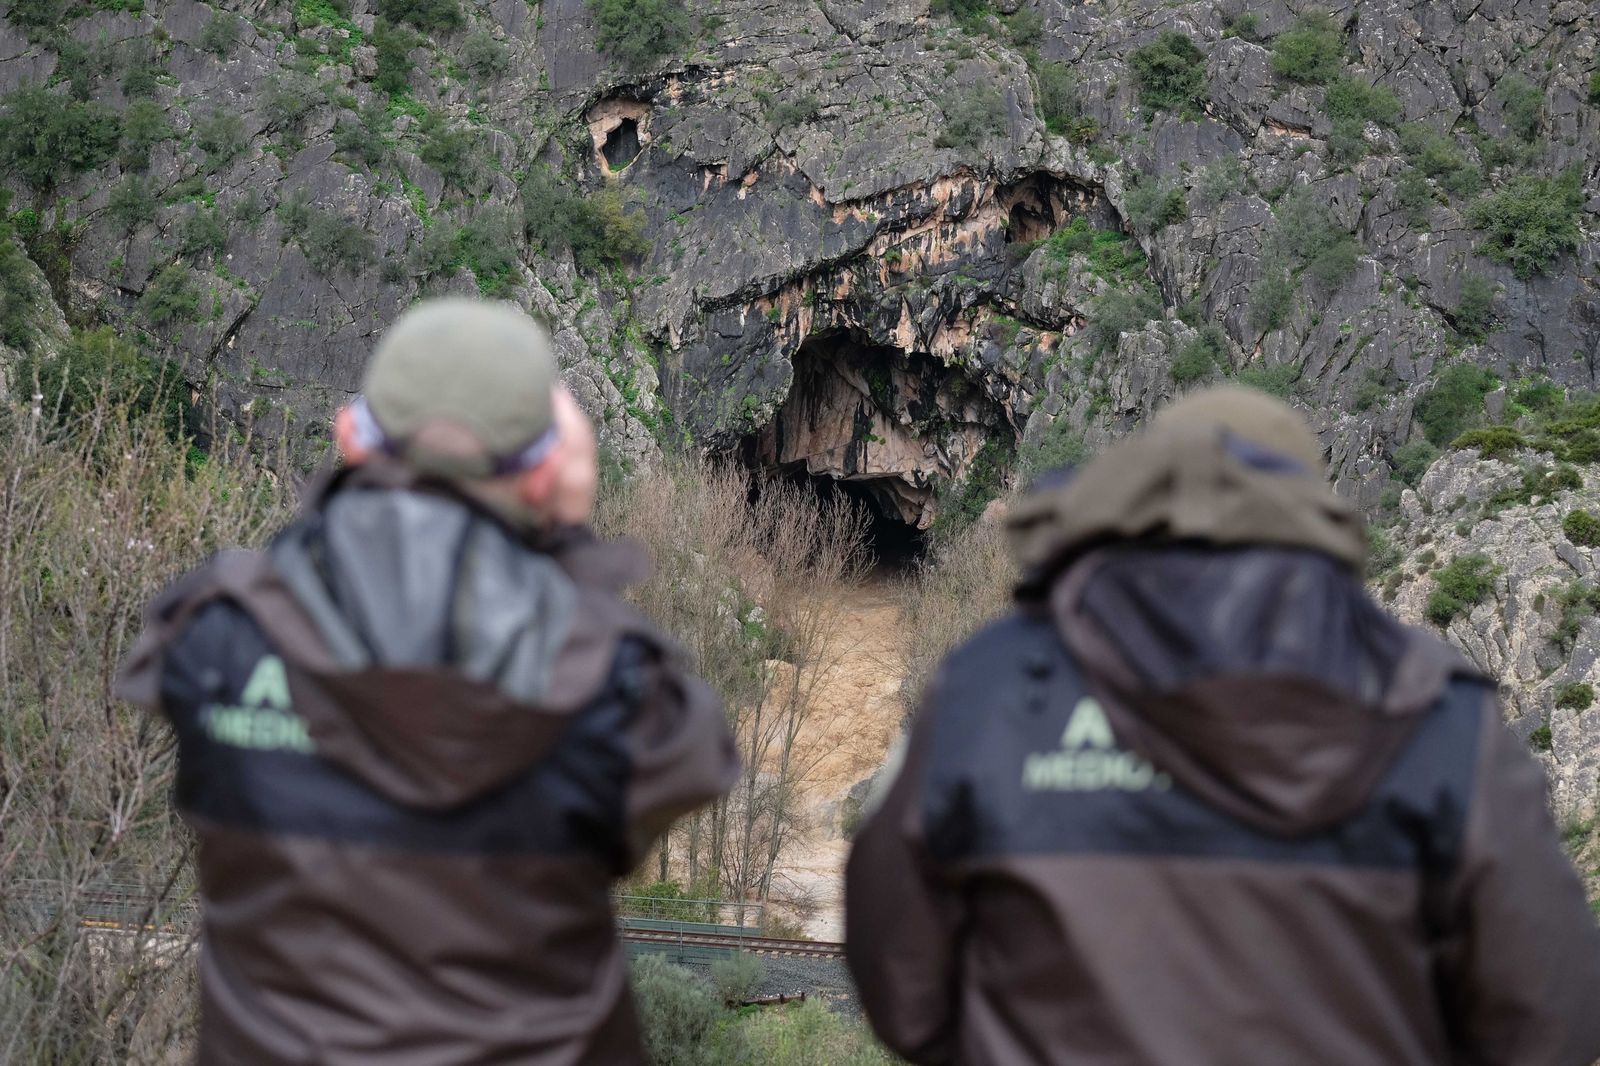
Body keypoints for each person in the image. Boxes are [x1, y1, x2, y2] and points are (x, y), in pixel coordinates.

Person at [845, 386, 1600, 1065]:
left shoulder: (993, 685)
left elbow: (895, 972)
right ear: (1310, 517)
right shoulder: (1434, 708)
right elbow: (1553, 1014)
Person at [117, 298, 738, 1064]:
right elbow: (696, 756)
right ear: (547, 472)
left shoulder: (215, 636)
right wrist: (569, 539)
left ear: (349, 437)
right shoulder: (609, 679)